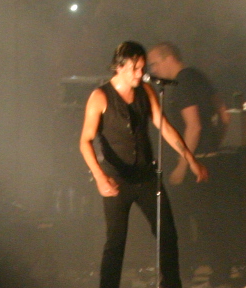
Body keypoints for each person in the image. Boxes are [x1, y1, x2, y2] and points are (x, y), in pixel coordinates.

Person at [80, 41, 209, 288]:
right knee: (115, 242)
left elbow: (165, 128)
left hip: (147, 176)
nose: (140, 74)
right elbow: (85, 141)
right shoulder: (100, 97)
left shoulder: (146, 91)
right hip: (116, 179)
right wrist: (99, 177)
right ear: (119, 67)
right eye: (135, 69)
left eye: (142, 68)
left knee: (167, 234)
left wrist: (190, 160)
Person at [147, 42, 230, 284]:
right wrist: (214, 145)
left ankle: (182, 274)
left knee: (181, 223)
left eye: (154, 64)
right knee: (210, 221)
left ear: (168, 58)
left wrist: (183, 167)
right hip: (211, 159)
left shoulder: (182, 84)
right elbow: (224, 116)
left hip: (193, 166)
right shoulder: (199, 77)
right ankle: (220, 274)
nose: (153, 70)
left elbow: (194, 127)